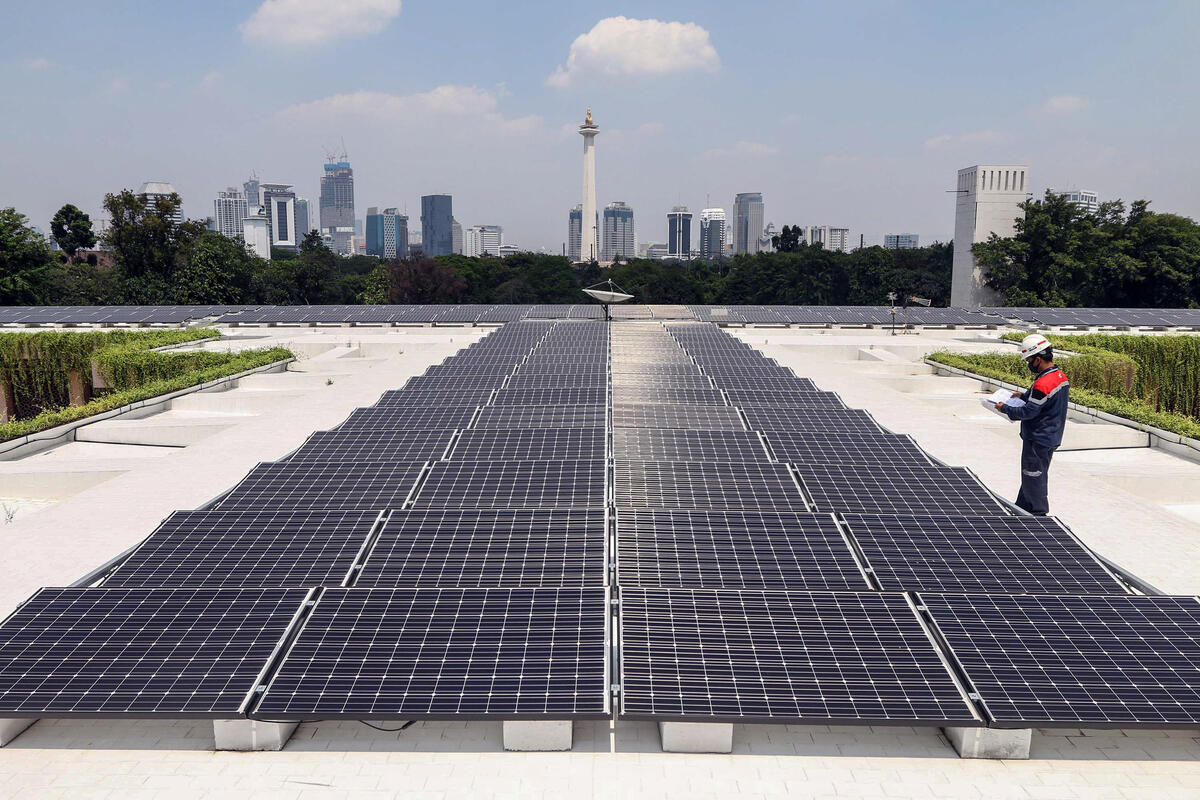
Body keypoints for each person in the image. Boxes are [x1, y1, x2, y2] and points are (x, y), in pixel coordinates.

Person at [995, 333, 1069, 515]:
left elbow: (1028, 412)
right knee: (1032, 474)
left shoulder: (1044, 383)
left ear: (1038, 358)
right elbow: (1044, 400)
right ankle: (1021, 507)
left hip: (1039, 438)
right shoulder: (1058, 376)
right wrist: (1024, 396)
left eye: (1029, 360)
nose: (1028, 364)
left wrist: (1004, 408)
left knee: (1033, 475)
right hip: (1050, 434)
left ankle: (1037, 513)